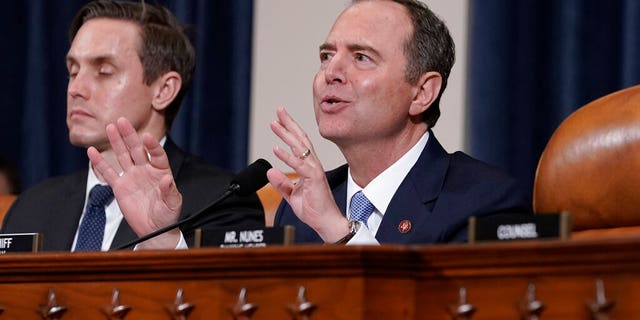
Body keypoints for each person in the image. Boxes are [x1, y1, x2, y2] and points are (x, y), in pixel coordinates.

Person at [0, 0, 264, 251]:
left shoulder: (222, 201)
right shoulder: (31, 206)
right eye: (73, 71)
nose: (76, 89)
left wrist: (163, 241)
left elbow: (223, 296)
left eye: (103, 71)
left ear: (163, 90)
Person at [267, 0, 531, 245]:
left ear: (422, 93)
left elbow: (429, 297)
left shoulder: (484, 202)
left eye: (361, 57)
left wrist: (339, 232)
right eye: (326, 56)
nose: (331, 73)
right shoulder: (297, 212)